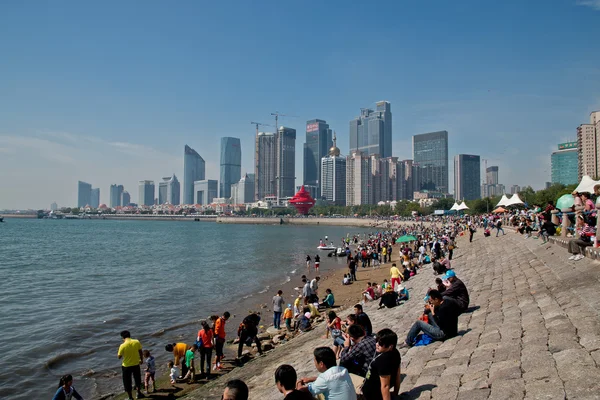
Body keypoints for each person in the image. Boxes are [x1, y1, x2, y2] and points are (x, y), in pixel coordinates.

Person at [361, 329, 402, 400]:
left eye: (380, 343)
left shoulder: (382, 361)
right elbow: (397, 375)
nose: (377, 344)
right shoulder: (396, 353)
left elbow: (385, 386)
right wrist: (396, 393)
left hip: (373, 393)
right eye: (376, 341)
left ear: (390, 346)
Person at [117, 330, 144, 400]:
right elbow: (140, 351)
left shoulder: (122, 345)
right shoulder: (136, 341)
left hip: (126, 366)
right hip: (136, 363)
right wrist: (141, 360)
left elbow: (119, 356)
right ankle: (138, 393)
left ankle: (130, 397)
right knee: (137, 379)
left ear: (123, 337)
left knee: (127, 382)